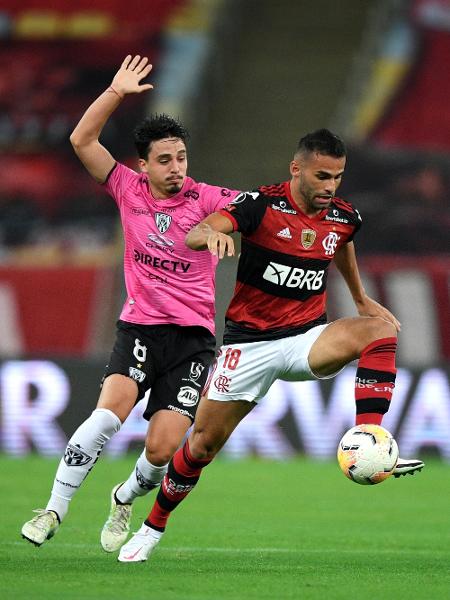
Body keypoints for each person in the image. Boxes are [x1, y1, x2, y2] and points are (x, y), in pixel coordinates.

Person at [117, 128, 425, 563]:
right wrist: (213, 236)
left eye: (337, 178)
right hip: (249, 346)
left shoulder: (343, 215)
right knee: (202, 445)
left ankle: (369, 434)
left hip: (305, 338)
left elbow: (341, 244)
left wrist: (359, 298)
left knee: (379, 331)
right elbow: (196, 232)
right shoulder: (260, 205)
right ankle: (152, 527)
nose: (329, 187)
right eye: (321, 176)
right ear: (296, 168)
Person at [21, 55, 239, 550]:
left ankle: (123, 497)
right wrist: (116, 92)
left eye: (181, 156)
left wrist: (219, 229)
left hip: (193, 344)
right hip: (140, 329)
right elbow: (81, 141)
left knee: (161, 451)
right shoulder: (126, 187)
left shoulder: (205, 197)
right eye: (165, 159)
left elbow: (248, 212)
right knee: (104, 418)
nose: (177, 167)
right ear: (144, 165)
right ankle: (54, 509)